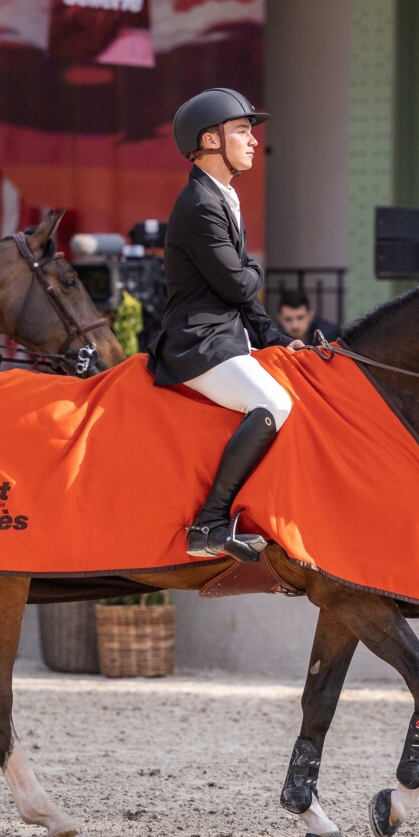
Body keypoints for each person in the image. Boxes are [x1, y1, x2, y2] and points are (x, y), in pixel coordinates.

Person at [147, 87, 301, 562]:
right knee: (273, 401)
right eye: (241, 130)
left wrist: (276, 338)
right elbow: (238, 285)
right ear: (210, 141)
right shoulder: (198, 205)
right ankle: (209, 525)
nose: (253, 140)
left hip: (225, 337)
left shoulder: (224, 198)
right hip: (199, 344)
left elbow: (241, 292)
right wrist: (254, 270)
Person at [275, 290, 340, 345]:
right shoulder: (275, 342)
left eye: (300, 318)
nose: (294, 325)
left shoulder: (329, 337)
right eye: (288, 319)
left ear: (310, 315)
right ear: (279, 319)